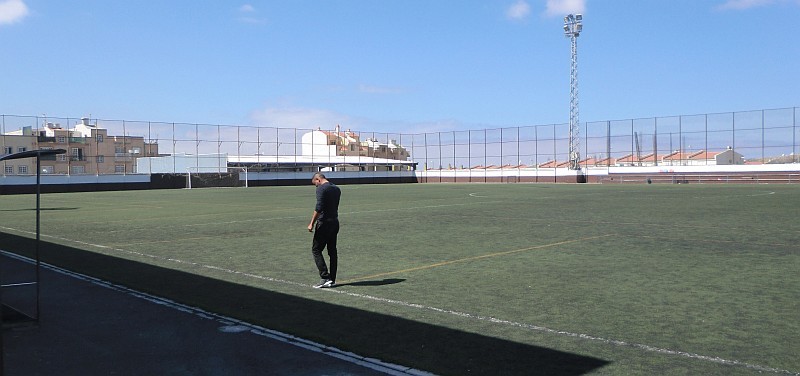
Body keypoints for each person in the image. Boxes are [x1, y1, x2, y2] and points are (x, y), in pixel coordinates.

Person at [307, 172, 341, 288]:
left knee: (316, 250)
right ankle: (332, 279)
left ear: (318, 179)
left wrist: (311, 223)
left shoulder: (322, 189)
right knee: (332, 251)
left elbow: (319, 207)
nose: (316, 186)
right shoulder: (336, 188)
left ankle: (325, 277)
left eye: (315, 184)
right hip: (335, 222)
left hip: (324, 223)